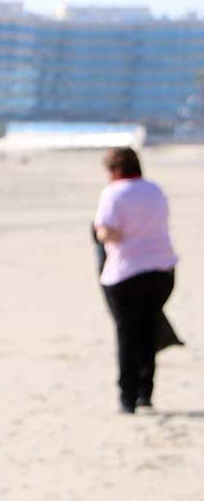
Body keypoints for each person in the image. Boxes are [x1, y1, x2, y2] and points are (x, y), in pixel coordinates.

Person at [94, 147, 179, 414]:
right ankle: (146, 393)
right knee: (147, 329)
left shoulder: (114, 192)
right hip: (162, 271)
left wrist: (104, 236)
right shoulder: (156, 190)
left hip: (125, 273)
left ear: (116, 170)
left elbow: (106, 231)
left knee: (126, 333)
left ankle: (126, 397)